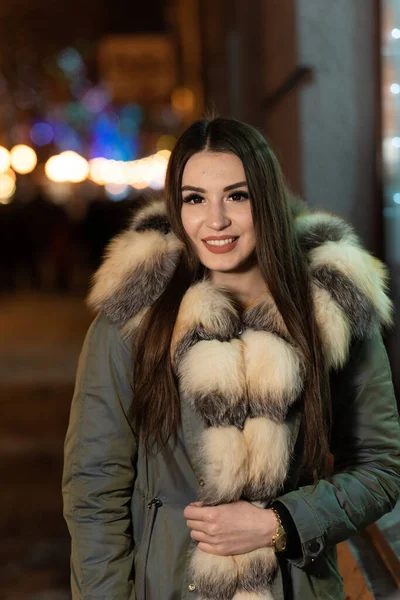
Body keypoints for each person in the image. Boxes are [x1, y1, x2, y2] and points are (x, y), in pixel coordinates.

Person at [62, 117, 400, 600]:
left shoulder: (333, 308)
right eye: (195, 198)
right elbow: (94, 487)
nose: (215, 220)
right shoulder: (135, 317)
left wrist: (279, 523)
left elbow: (381, 468)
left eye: (237, 196)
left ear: (266, 199)